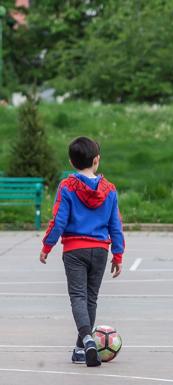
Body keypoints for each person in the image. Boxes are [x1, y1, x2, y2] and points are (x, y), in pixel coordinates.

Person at [39, 137, 125, 367]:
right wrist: (118, 254)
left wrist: (47, 246)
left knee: (78, 296)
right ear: (97, 160)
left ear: (71, 161)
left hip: (75, 250)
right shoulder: (110, 190)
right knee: (91, 298)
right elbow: (115, 225)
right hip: (100, 250)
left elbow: (58, 220)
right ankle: (81, 348)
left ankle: (87, 340)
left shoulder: (67, 186)